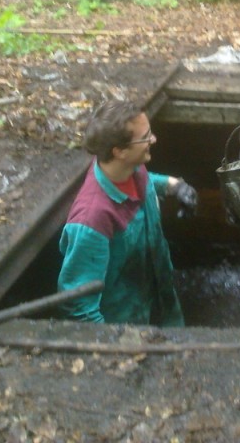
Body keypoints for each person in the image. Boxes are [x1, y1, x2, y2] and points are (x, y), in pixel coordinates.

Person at [57, 99, 198, 325]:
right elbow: (79, 307)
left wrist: (174, 186)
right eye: (146, 137)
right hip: (127, 324)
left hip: (159, 300)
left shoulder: (129, 168)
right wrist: (115, 350)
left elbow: (144, 181)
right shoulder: (92, 221)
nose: (153, 140)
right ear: (119, 151)